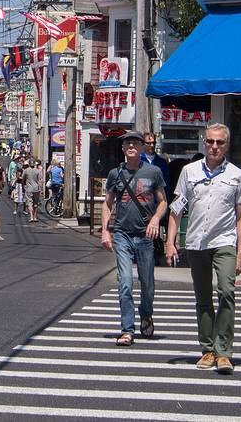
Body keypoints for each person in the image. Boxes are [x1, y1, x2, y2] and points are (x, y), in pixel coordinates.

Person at [166, 123, 241, 374]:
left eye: (219, 143)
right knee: (203, 298)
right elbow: (176, 209)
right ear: (204, 143)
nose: (214, 147)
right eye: (210, 142)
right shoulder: (189, 172)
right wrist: (170, 242)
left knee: (226, 292)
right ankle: (208, 349)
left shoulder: (237, 175)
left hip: (225, 242)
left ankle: (224, 352)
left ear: (227, 145)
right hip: (197, 243)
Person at [101, 131, 167, 346]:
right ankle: (126, 329)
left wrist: (156, 219)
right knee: (126, 284)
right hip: (122, 234)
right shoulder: (115, 173)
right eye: (127, 143)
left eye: (135, 143)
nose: (131, 146)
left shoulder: (154, 172)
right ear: (123, 149)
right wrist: (105, 231)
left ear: (142, 147)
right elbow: (107, 203)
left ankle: (146, 313)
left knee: (147, 285)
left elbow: (163, 202)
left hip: (145, 236)